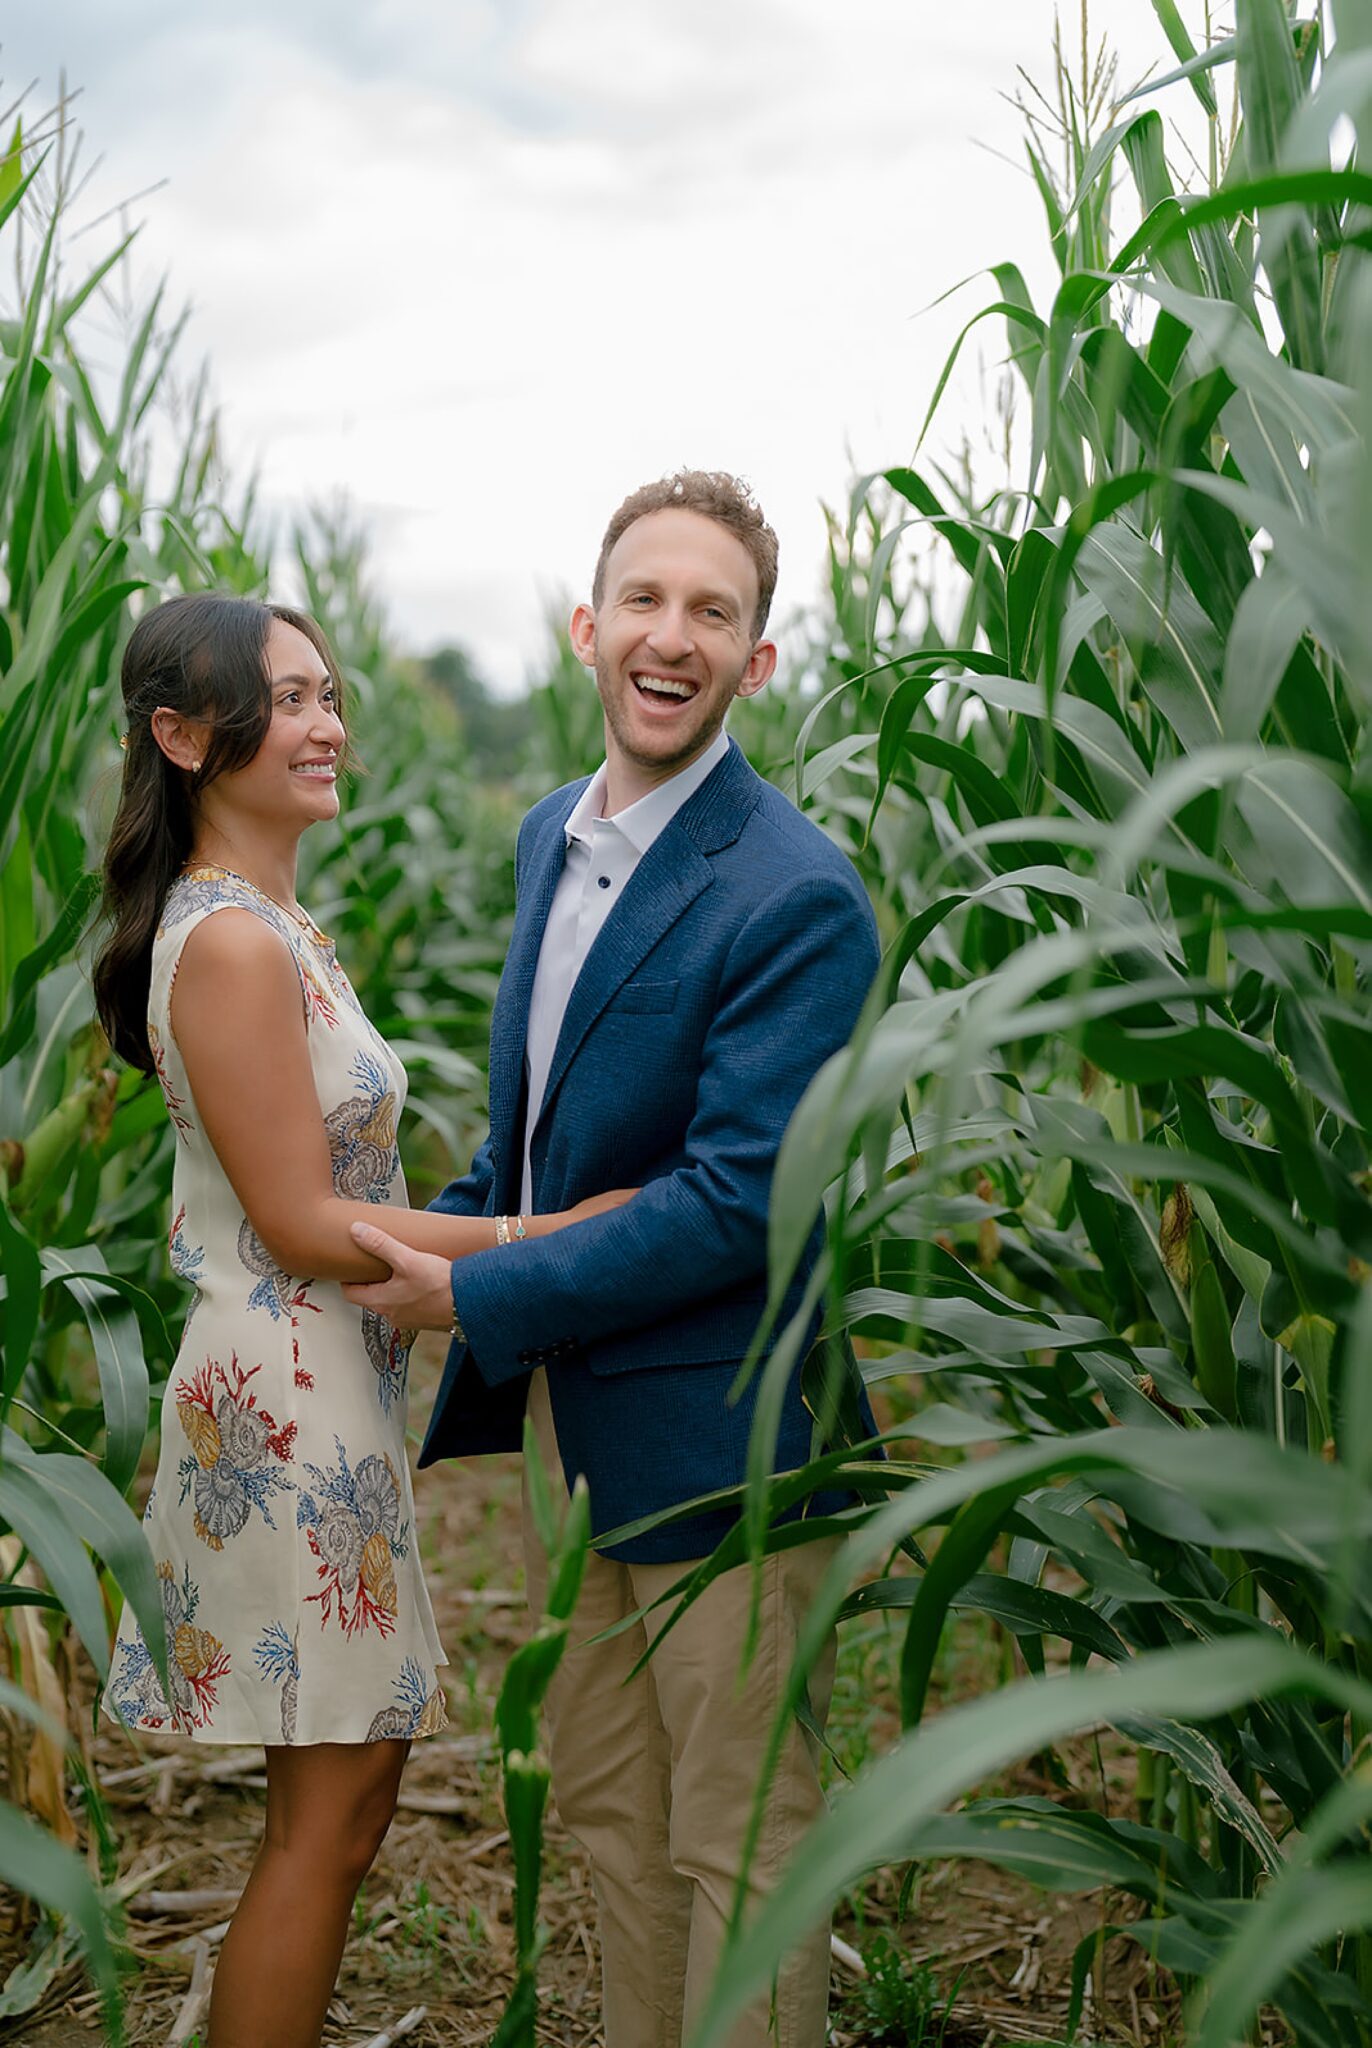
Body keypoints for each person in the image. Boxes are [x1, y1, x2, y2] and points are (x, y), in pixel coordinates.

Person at [345, 471, 881, 2048]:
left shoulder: (796, 893)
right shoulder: (549, 838)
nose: (672, 636)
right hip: (580, 1431)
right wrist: (357, 1236)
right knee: (611, 1811)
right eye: (645, 599)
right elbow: (540, 1152)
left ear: (756, 661)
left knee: (739, 1840)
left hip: (730, 1448)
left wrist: (475, 1291)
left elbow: (737, 1201)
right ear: (588, 628)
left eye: (713, 612)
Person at [93, 592, 626, 2048]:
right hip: (285, 1404)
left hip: (319, 1386)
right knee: (324, 1825)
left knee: (343, 1807)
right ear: (185, 736)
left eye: (329, 694)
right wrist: (551, 1239)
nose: (328, 725)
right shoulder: (232, 943)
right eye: (291, 700)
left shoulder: (270, 925)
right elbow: (302, 1222)